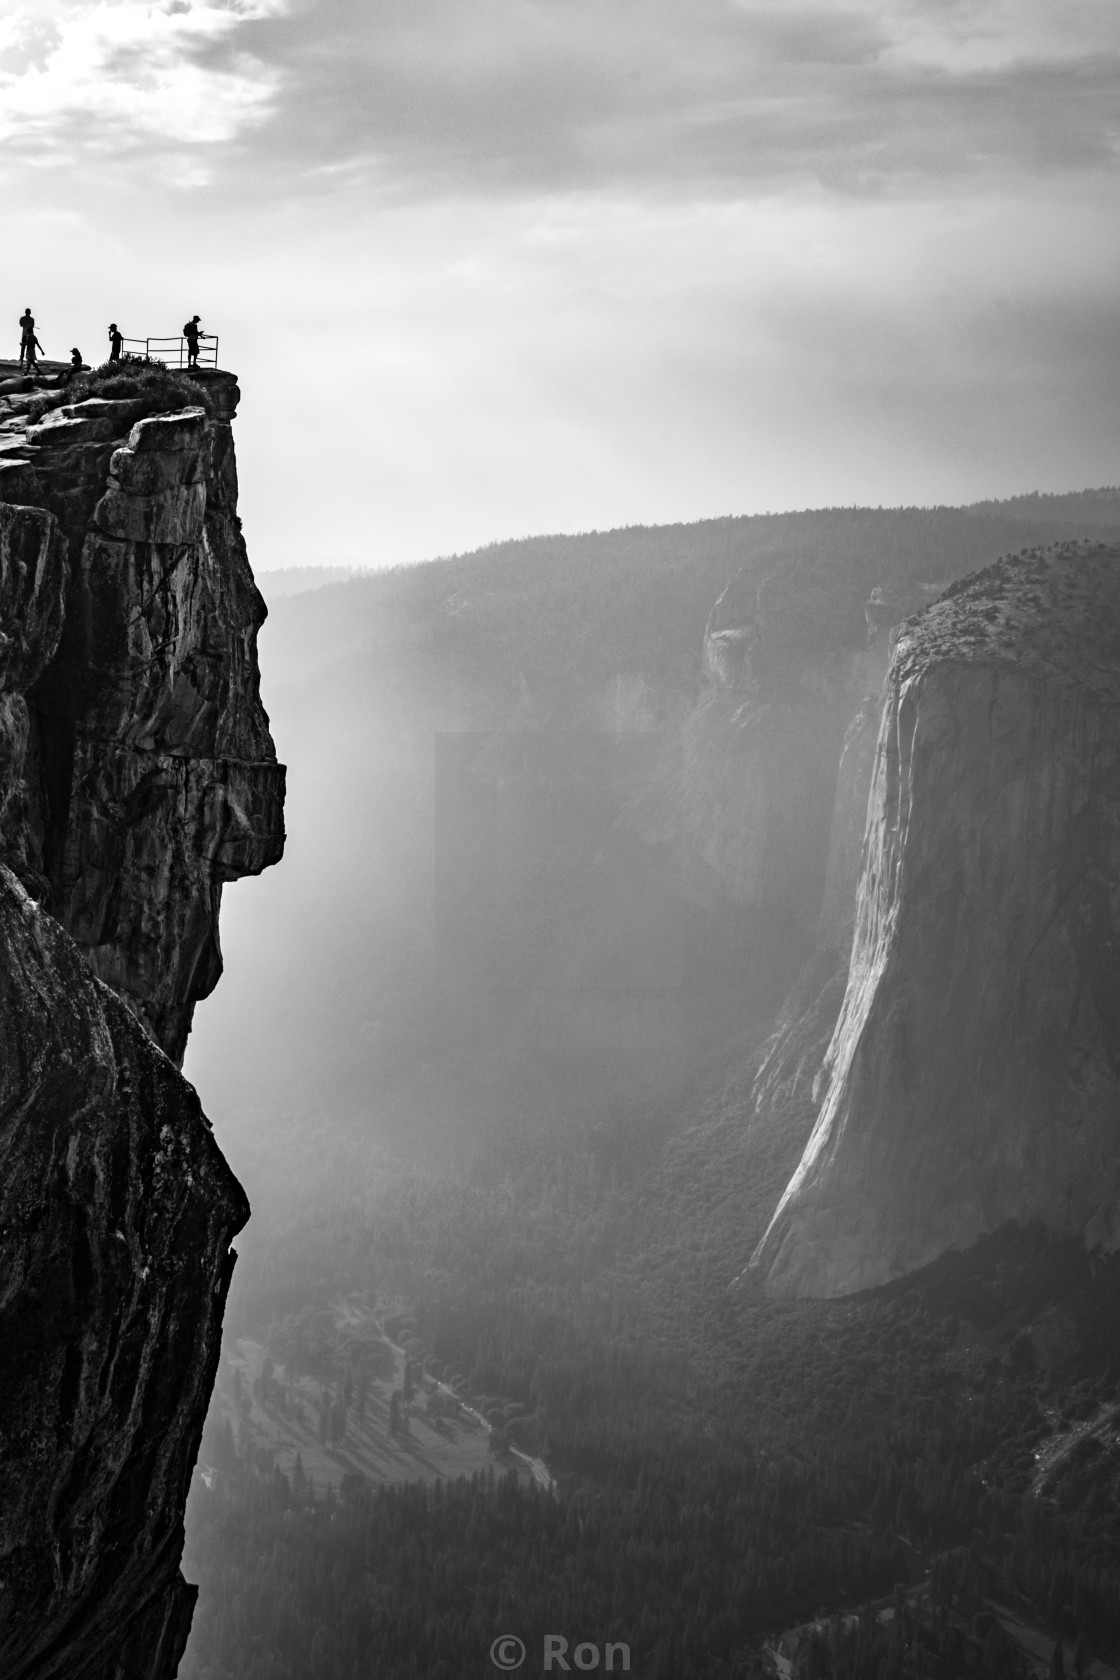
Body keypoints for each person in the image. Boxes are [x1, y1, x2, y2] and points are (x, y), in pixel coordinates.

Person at [19, 308, 43, 372]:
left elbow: (21, 325)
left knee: (23, 348)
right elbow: (32, 326)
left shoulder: (22, 318)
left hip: (24, 335)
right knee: (29, 349)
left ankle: (21, 363)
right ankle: (30, 370)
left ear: (25, 312)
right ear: (30, 313)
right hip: (31, 335)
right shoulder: (32, 319)